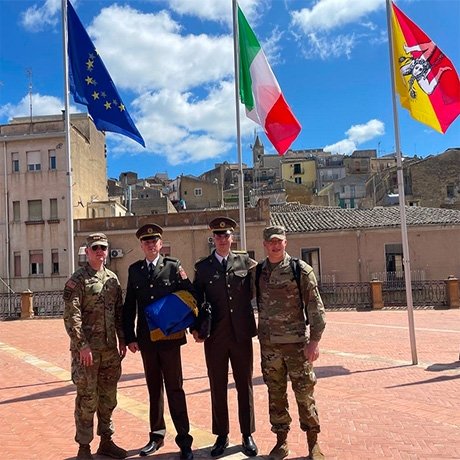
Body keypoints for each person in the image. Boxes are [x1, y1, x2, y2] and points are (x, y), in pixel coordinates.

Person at [122, 223, 194, 459]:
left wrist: (188, 325)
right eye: (146, 242)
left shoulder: (173, 267)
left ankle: (184, 440)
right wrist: (130, 337)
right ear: (141, 245)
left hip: (171, 339)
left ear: (161, 244)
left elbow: (189, 296)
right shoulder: (134, 270)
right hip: (146, 340)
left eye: (154, 241)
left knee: (175, 388)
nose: (151, 245)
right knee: (154, 389)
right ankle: (156, 436)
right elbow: (129, 305)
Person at [255, 226, 326, 460]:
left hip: (297, 346)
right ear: (265, 245)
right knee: (276, 395)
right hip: (270, 348)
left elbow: (315, 307)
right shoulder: (258, 272)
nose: (275, 245)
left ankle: (313, 443)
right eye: (271, 242)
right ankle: (281, 442)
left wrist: (314, 341)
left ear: (286, 242)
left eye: (279, 241)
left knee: (304, 394)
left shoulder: (300, 270)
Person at [192, 217, 258, 457]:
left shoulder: (246, 262)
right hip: (215, 336)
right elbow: (196, 301)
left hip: (241, 334)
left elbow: (256, 290)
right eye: (217, 236)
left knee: (244, 385)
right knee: (217, 385)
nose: (222, 239)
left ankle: (247, 433)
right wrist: (196, 328)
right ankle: (221, 434)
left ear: (232, 238)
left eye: (226, 235)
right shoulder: (203, 267)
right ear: (213, 239)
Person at [63, 232, 127, 460]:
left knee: (109, 398)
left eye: (103, 248)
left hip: (110, 351)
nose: (100, 252)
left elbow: (119, 312)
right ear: (87, 251)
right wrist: (82, 345)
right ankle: (84, 448)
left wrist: (122, 339)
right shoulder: (77, 280)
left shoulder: (112, 279)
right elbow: (72, 316)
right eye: (96, 248)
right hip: (87, 353)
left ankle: (106, 441)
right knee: (87, 399)